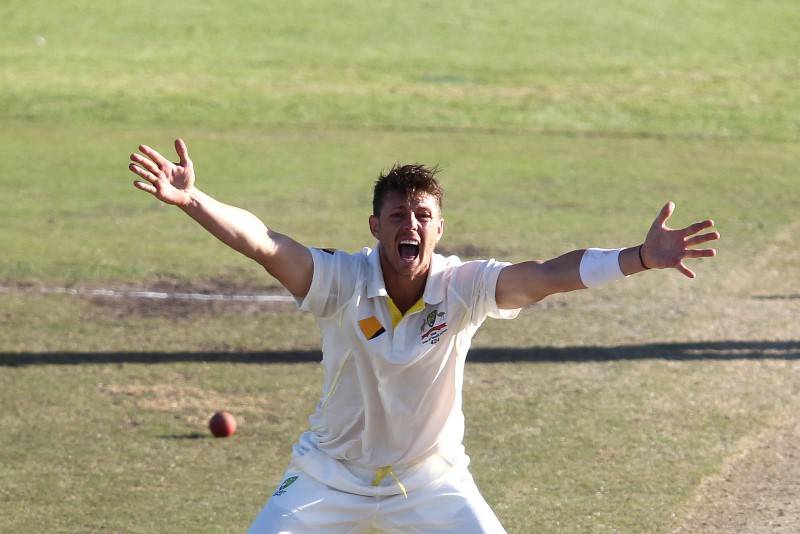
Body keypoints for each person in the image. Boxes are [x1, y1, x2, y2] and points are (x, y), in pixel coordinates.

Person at [128, 139, 720, 533]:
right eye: (396, 216)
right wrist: (193, 200)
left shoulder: (463, 286)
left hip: (431, 481)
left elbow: (545, 277)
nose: (409, 225)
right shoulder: (338, 280)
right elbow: (261, 241)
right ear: (375, 227)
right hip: (327, 475)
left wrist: (639, 257)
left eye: (421, 216)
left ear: (438, 228)